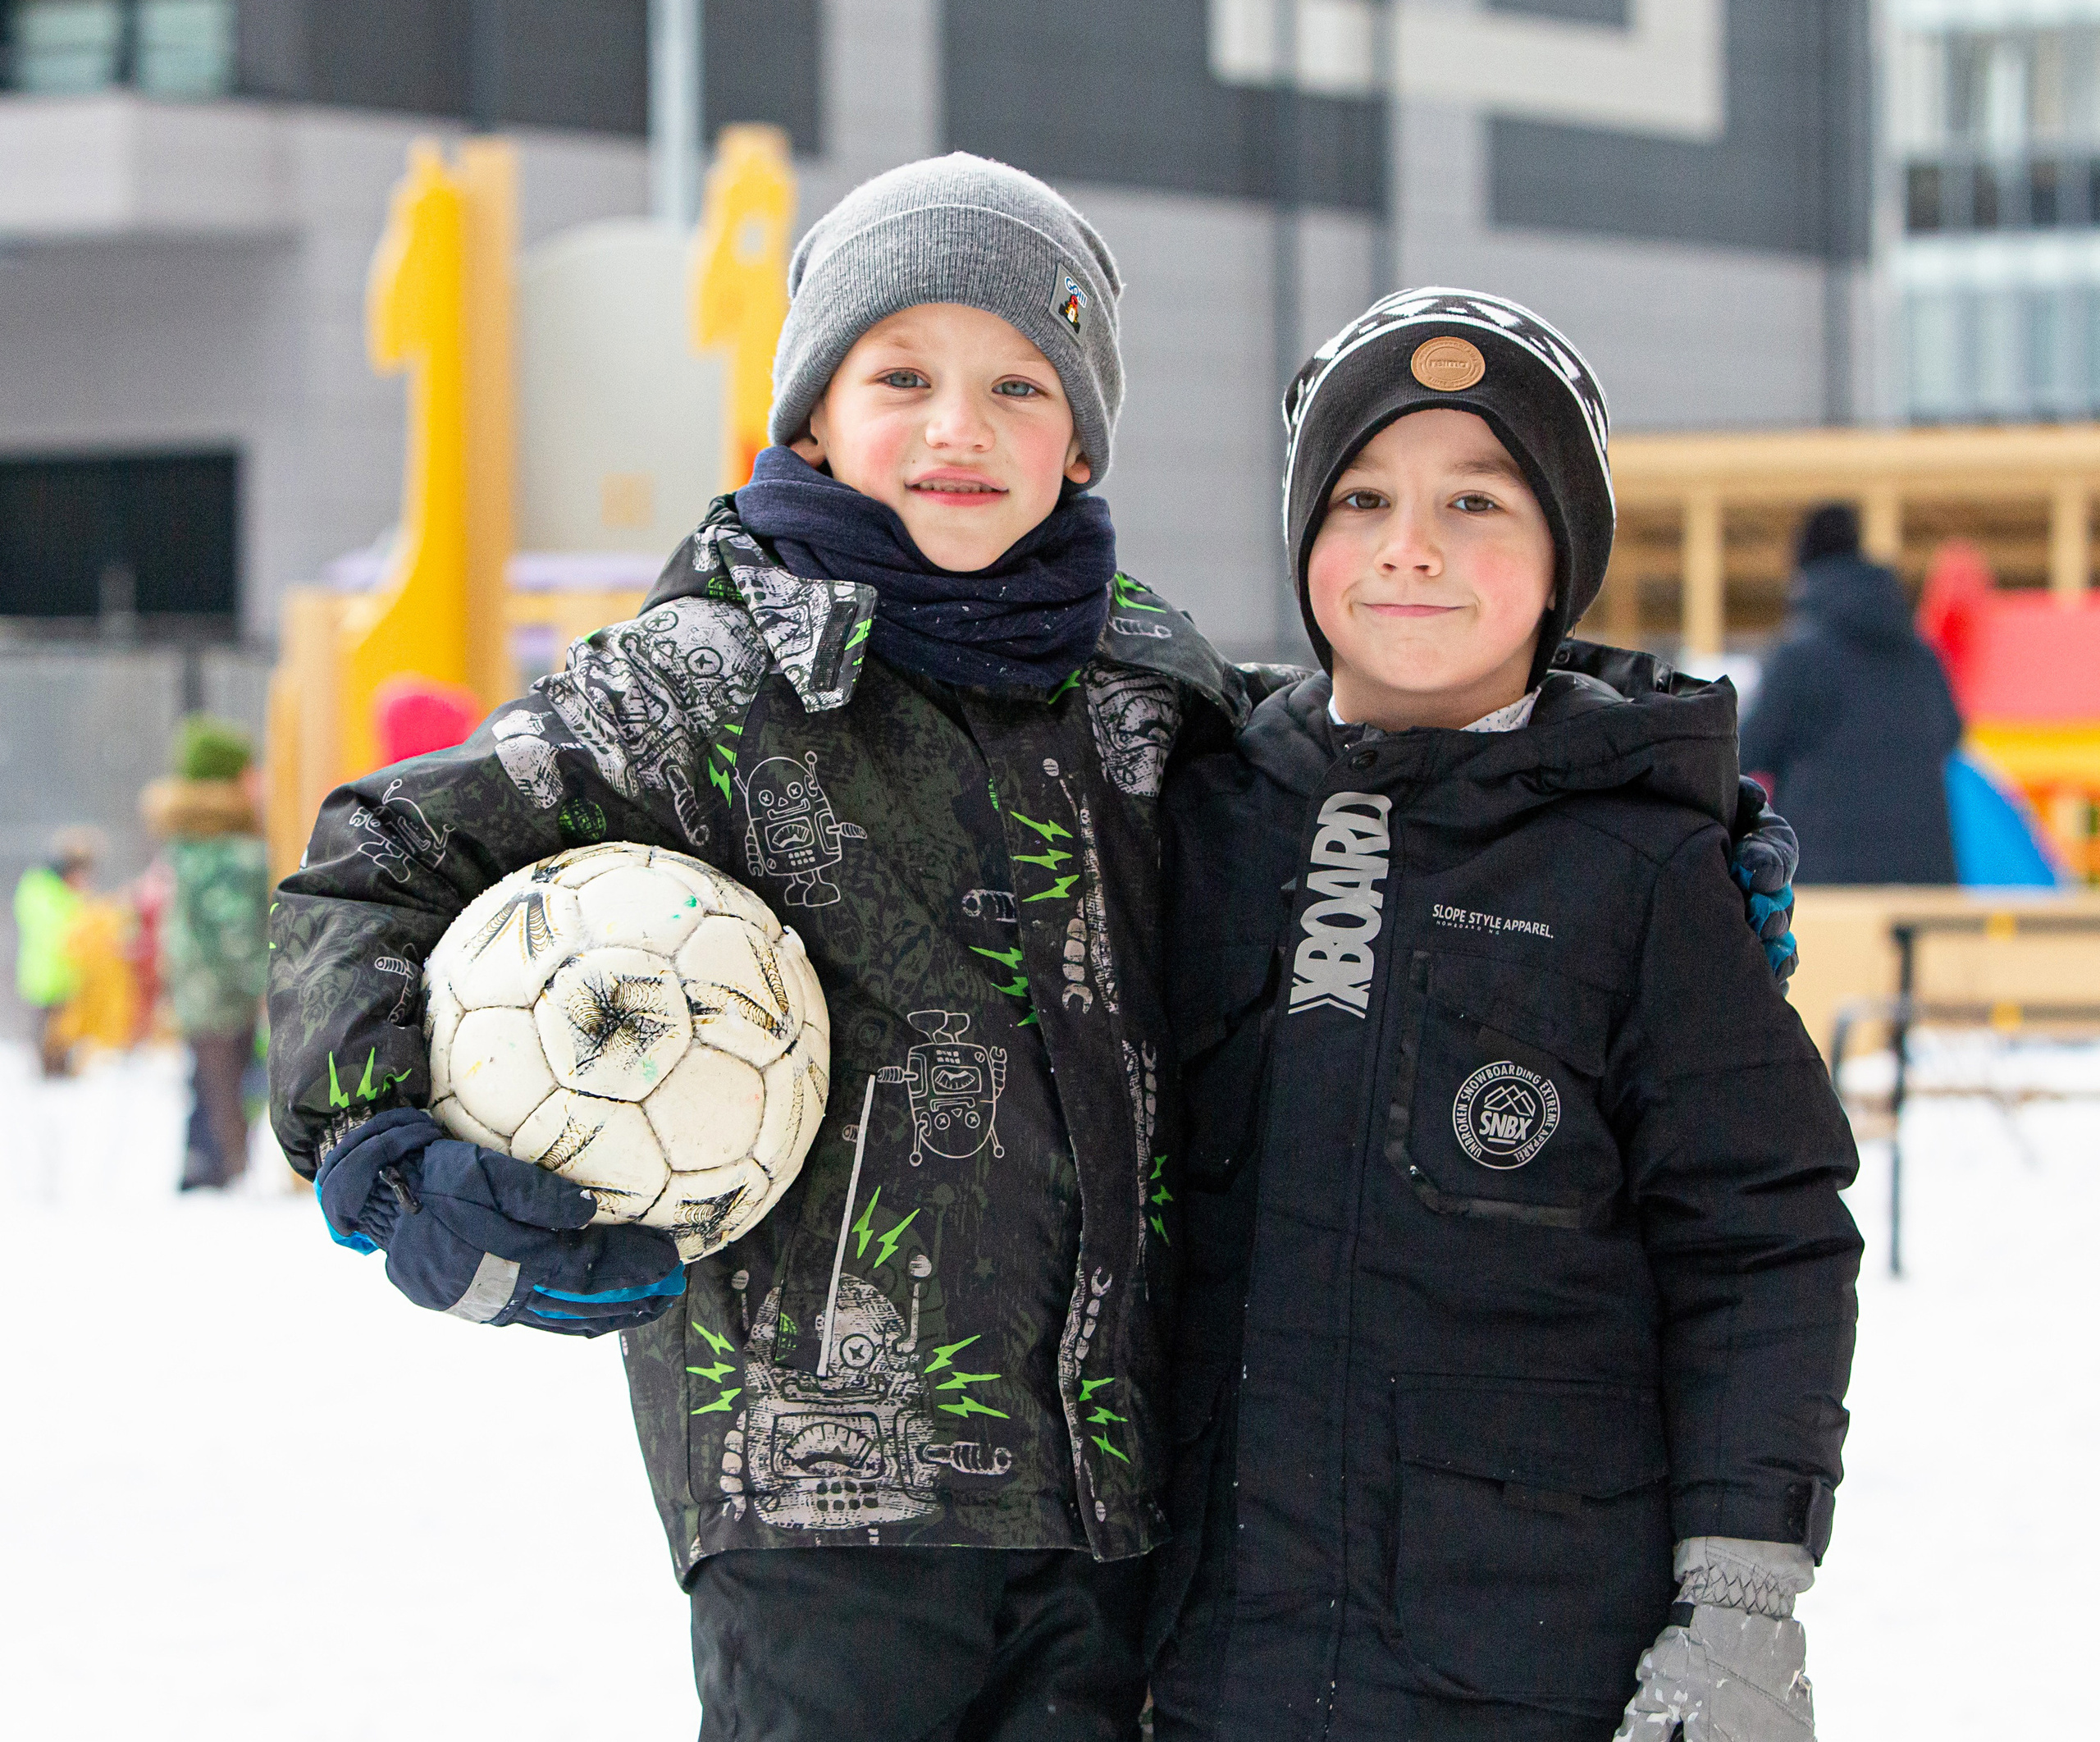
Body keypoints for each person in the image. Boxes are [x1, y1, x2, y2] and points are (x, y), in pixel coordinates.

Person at [269, 171, 1796, 1737]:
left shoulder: (1145, 678)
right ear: (811, 419)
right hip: (815, 1504)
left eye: (1018, 385)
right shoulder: (694, 683)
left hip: (1111, 1496)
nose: (960, 427)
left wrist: (1638, 798)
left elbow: (1393, 713)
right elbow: (368, 866)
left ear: (1078, 438)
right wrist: (387, 1142)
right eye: (902, 378)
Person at [1148, 290, 1860, 1742]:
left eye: (1478, 498)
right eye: (1364, 496)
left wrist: (1741, 1600)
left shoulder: (1645, 865)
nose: (1413, 542)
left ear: (1559, 568)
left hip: (1532, 1665)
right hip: (1206, 1666)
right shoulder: (1196, 817)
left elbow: (1761, 1237)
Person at [1738, 503, 1962, 883]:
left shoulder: (1799, 658)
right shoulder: (1923, 659)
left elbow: (1745, 750)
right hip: (1923, 880)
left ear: (1803, 570)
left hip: (1826, 880)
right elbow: (1952, 733)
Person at [144, 716, 271, 1191]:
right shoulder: (234, 850)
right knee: (229, 1090)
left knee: (207, 1084)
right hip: (226, 996)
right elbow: (236, 932)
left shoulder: (188, 843)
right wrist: (268, 982)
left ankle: (203, 1165)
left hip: (196, 989)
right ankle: (221, 1174)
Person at [14, 828, 98, 1077]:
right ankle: (49, 1076)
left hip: (68, 977)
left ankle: (60, 1075)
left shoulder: (62, 892)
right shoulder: (41, 888)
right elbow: (57, 931)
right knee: (51, 1033)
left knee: (66, 1034)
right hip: (47, 976)